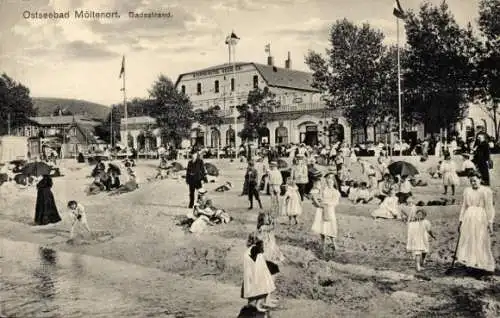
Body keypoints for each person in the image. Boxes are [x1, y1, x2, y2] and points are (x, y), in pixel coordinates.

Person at [455, 172, 495, 275]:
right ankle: (470, 262)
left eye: (475, 180)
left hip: (480, 217)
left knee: (480, 238)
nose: (473, 182)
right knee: (469, 238)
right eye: (471, 181)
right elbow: (464, 206)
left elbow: (489, 208)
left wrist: (490, 222)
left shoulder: (486, 191)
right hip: (468, 217)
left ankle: (481, 262)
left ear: (480, 179)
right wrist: (461, 220)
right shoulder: (467, 191)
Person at [241, 233, 277, 313]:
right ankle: (257, 305)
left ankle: (254, 304)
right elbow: (261, 256)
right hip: (255, 271)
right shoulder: (255, 249)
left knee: (255, 289)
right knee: (261, 288)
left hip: (251, 271)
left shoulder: (250, 249)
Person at [311, 171, 340, 255]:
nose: (329, 180)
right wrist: (318, 202)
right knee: (322, 226)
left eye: (331, 178)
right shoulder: (323, 189)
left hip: (329, 209)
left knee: (331, 225)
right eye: (328, 178)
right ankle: (323, 244)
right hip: (322, 208)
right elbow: (317, 196)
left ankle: (334, 243)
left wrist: (327, 203)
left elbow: (336, 202)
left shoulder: (335, 191)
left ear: (333, 180)